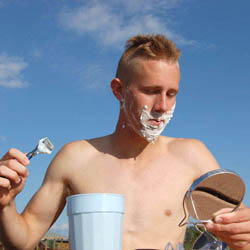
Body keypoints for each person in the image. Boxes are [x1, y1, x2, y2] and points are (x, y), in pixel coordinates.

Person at [0, 34, 249, 250]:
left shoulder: (192, 156)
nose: (162, 106)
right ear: (118, 90)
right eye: (151, 91)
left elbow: (237, 232)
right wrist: (6, 203)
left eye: (171, 94)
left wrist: (244, 235)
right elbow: (22, 241)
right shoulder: (75, 158)